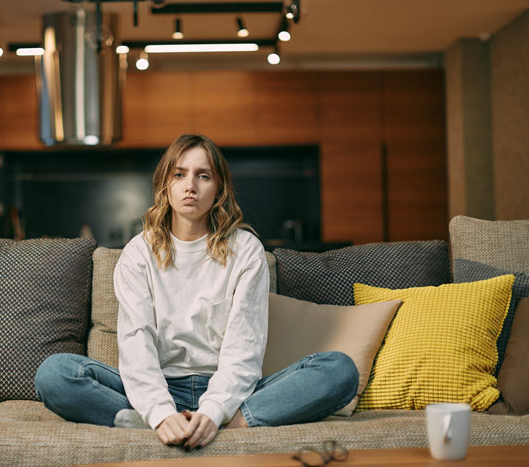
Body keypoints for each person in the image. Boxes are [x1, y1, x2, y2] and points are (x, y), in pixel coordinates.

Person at [35, 134, 358, 450]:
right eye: (180, 174)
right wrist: (160, 413)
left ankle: (215, 427)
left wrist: (215, 411)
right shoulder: (138, 252)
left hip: (232, 393)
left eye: (203, 176)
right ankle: (163, 425)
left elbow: (244, 346)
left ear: (218, 188)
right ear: (166, 185)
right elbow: (137, 342)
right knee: (56, 373)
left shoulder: (245, 250)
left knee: (338, 371)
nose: (190, 185)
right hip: (157, 386)